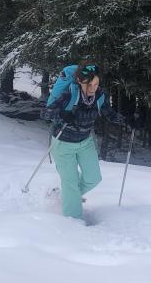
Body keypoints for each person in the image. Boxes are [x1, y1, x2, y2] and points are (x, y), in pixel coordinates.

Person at [41, 61, 126, 220]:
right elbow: (46, 113)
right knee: (71, 183)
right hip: (63, 144)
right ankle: (73, 225)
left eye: (96, 83)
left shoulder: (99, 95)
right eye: (90, 84)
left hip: (85, 142)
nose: (93, 88)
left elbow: (109, 113)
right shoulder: (69, 95)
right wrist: (61, 115)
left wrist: (127, 121)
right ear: (79, 81)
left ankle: (67, 196)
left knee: (93, 178)